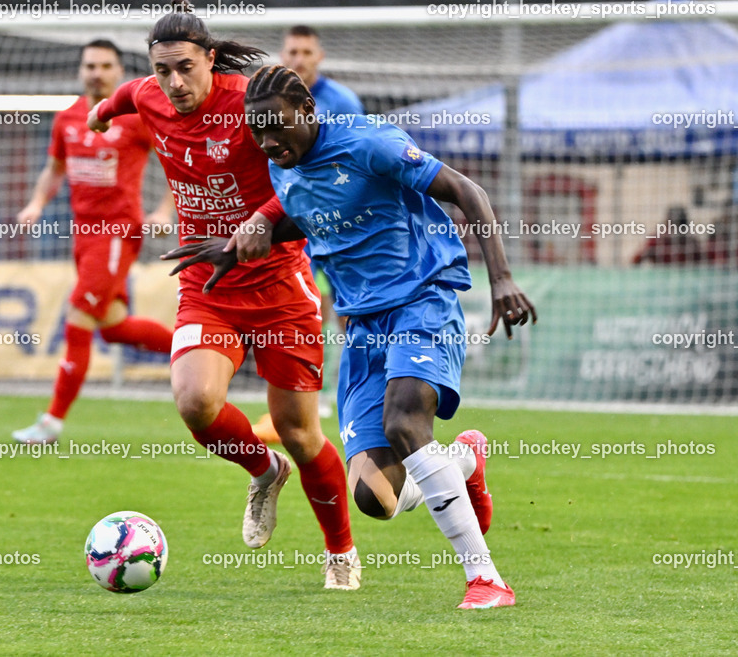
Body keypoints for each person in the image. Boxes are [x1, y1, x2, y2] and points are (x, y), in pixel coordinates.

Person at [170, 65, 537, 609]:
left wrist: (502, 278)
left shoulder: (370, 143)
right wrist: (251, 235)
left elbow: (466, 191)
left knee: (404, 423)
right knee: (375, 498)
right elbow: (312, 215)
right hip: (362, 327)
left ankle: (486, 579)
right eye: (259, 133)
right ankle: (463, 462)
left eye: (279, 128)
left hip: (421, 300)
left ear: (309, 114)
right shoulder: (283, 166)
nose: (269, 142)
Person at [87, 0, 360, 590]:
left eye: (186, 67)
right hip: (207, 287)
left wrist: (260, 220)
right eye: (164, 70)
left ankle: (340, 549)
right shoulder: (150, 94)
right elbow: (127, 96)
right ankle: (264, 471)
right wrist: (100, 115)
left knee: (300, 430)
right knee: (194, 401)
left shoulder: (251, 105)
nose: (175, 82)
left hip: (281, 286)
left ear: (211, 59)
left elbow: (306, 178)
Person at [12, 39, 174, 445]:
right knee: (114, 327)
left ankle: (51, 422)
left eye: (105, 65)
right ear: (81, 71)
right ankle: (199, 349)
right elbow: (54, 170)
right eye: (90, 65)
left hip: (118, 233)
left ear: (119, 72)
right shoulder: (67, 118)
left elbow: (176, 162)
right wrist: (34, 204)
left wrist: (162, 212)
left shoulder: (136, 118)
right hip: (83, 236)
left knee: (78, 319)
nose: (97, 72)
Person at [250, 26, 366, 431]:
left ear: (320, 57)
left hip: (338, 227)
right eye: (291, 52)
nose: (298, 59)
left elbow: (356, 162)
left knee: (347, 315)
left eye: (305, 52)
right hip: (296, 222)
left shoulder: (343, 102)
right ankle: (308, 400)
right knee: (306, 311)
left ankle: (348, 392)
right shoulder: (266, 106)